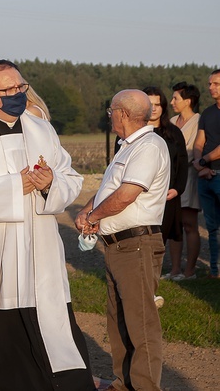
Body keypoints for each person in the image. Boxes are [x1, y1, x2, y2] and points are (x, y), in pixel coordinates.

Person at [0, 60, 94, 390]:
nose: (16, 94)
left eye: (20, 87)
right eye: (8, 90)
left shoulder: (43, 131)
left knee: (50, 333)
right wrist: (15, 187)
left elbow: (70, 178)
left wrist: (48, 183)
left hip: (35, 249)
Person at [76, 89, 169, 391]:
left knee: (141, 324)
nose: (110, 117)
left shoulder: (149, 146)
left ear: (123, 114)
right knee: (119, 322)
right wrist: (89, 209)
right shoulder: (127, 146)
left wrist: (92, 218)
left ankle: (143, 387)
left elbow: (127, 195)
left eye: (111, 111)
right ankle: (123, 383)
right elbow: (110, 189)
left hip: (137, 244)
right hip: (118, 244)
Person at [140, 87, 187, 286]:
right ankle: (143, 276)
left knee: (165, 237)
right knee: (143, 239)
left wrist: (177, 189)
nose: (154, 109)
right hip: (141, 197)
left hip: (168, 196)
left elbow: (183, 164)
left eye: (158, 104)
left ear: (163, 106)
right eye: (149, 104)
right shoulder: (133, 132)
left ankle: (160, 275)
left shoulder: (174, 133)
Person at [167, 82, 202, 280]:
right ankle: (174, 270)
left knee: (189, 223)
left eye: (175, 98)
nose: (172, 102)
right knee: (174, 225)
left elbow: (189, 151)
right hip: (171, 180)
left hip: (189, 179)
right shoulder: (172, 121)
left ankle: (189, 271)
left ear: (188, 101)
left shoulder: (199, 121)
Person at [193, 69, 220, 278]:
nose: (211, 87)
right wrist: (201, 167)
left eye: (216, 84)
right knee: (211, 226)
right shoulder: (208, 113)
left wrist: (203, 161)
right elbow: (199, 142)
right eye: (210, 83)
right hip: (206, 178)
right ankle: (214, 269)